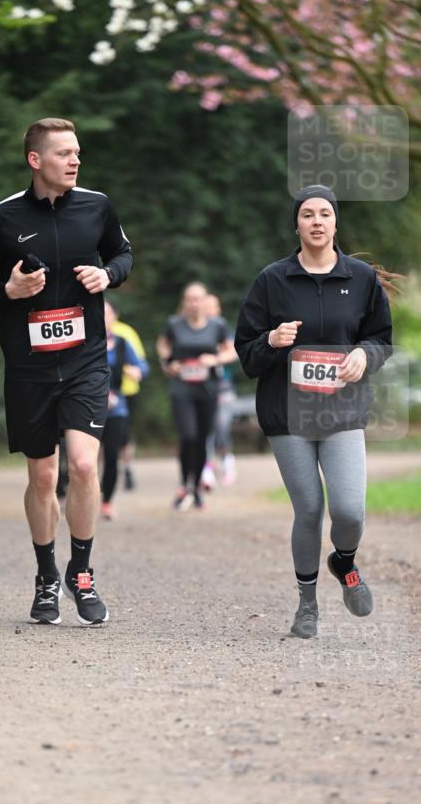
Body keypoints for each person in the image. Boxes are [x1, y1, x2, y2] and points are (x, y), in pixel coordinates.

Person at [0, 117, 133, 626]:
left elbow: (123, 254)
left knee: (83, 466)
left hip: (85, 359)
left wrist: (107, 274)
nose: (75, 160)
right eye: (64, 153)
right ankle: (45, 579)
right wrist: (7, 292)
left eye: (78, 152)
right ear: (36, 160)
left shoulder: (97, 206)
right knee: (42, 475)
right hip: (28, 366)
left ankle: (81, 575)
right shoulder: (2, 217)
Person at [235, 185, 392, 639]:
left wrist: (365, 354)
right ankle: (307, 606)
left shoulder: (361, 278)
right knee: (308, 510)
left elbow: (382, 338)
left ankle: (343, 561)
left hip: (342, 412)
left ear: (336, 223)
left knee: (349, 512)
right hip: (288, 415)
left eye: (325, 213)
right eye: (308, 214)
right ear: (297, 224)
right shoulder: (272, 280)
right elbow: (246, 353)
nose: (317, 221)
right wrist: (271, 341)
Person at [156, 281, 237, 510]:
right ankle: (184, 484)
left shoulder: (217, 325)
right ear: (184, 302)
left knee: (202, 439)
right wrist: (168, 363)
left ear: (205, 300)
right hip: (182, 390)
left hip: (208, 390)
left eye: (198, 298)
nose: (194, 303)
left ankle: (197, 487)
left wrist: (215, 359)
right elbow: (163, 345)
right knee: (188, 437)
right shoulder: (175, 324)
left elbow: (231, 352)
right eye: (190, 299)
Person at [101, 301, 148, 520]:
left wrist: (136, 371)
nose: (103, 318)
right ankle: (75, 496)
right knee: (83, 460)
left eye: (107, 314)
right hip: (84, 407)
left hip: (115, 408)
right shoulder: (82, 343)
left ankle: (106, 502)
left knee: (111, 456)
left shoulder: (121, 343)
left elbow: (142, 366)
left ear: (114, 318)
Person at [201, 293, 238, 489]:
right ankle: (207, 468)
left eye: (211, 307)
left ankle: (227, 459)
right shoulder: (193, 329)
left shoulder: (223, 329)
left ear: (218, 309)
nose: (208, 310)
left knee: (222, 427)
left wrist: (215, 358)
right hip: (201, 388)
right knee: (206, 429)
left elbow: (234, 354)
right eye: (204, 306)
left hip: (224, 387)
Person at [110, 302, 147, 491]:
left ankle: (128, 468)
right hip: (101, 393)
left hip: (127, 391)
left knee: (124, 436)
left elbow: (140, 363)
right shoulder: (91, 329)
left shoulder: (126, 333)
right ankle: (104, 474)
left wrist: (135, 371)